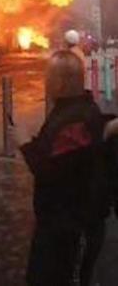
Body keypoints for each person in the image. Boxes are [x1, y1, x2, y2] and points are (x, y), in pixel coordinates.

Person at [15, 50, 118, 285]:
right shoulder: (78, 111)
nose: (45, 81)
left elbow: (48, 170)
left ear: (60, 82)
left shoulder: (73, 122)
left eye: (48, 76)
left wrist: (23, 143)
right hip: (66, 223)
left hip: (70, 229)